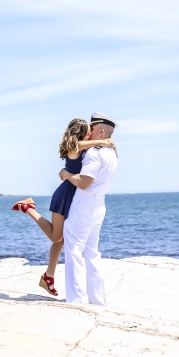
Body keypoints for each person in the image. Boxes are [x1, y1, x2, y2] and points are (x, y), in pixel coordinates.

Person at [12, 118, 117, 296]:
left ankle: (48, 277)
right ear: (82, 134)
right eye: (88, 131)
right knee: (56, 237)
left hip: (75, 196)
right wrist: (103, 140)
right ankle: (28, 208)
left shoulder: (86, 148)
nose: (91, 133)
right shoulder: (74, 148)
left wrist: (108, 144)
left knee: (63, 240)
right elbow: (81, 145)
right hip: (65, 196)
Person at [59, 112, 118, 305]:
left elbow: (84, 182)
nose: (88, 133)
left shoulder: (94, 153)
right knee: (92, 252)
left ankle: (77, 299)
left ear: (100, 131)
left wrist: (67, 175)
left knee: (74, 250)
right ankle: (97, 299)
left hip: (84, 204)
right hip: (100, 205)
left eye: (91, 129)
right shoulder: (111, 153)